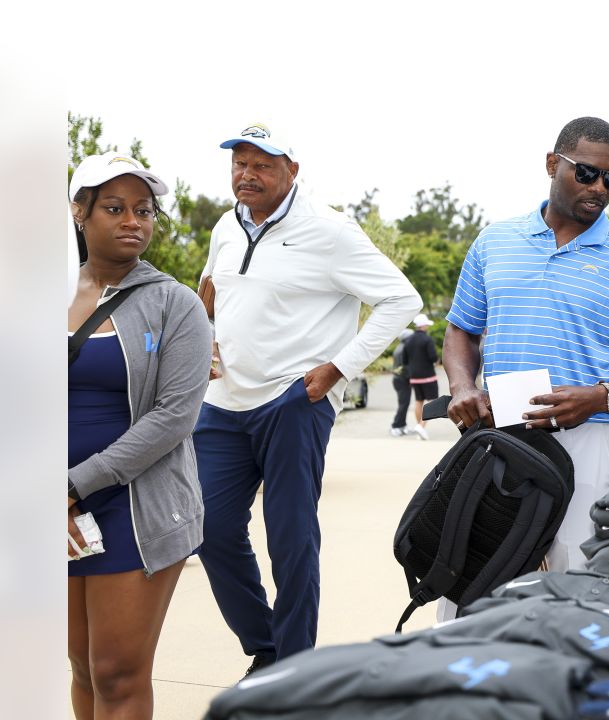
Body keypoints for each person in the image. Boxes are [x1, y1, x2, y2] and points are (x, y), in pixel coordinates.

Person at [195, 124, 422, 673]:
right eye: (239, 163)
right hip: (224, 404)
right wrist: (203, 335)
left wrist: (338, 369)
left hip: (292, 402)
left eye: (262, 165)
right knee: (208, 528)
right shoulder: (227, 225)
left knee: (291, 542)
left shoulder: (330, 231)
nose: (247, 175)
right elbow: (210, 287)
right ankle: (266, 647)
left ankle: (294, 670)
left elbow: (400, 298)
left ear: (292, 170)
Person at [443, 116, 609, 580]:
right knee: (476, 573)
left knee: (578, 579)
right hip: (499, 433)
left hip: (588, 443)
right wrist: (460, 386)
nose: (599, 188)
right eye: (586, 173)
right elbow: (461, 331)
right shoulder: (495, 242)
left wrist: (601, 396)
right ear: (553, 164)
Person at [67, 154, 211, 718]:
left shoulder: (174, 304)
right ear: (79, 213)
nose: (133, 220)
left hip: (134, 506)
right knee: (81, 665)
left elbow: (174, 417)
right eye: (115, 207)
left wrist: (75, 484)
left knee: (117, 672)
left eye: (144, 210)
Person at [404, 313, 440, 440]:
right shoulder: (427, 340)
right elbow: (433, 357)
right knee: (433, 401)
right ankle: (421, 425)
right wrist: (437, 360)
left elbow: (405, 360)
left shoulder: (408, 340)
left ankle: (420, 428)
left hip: (414, 376)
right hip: (428, 375)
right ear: (423, 326)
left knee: (419, 401)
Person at [389, 328, 415, 437]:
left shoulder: (400, 347)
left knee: (404, 403)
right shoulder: (404, 348)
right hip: (401, 379)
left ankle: (402, 425)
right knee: (403, 404)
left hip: (399, 379)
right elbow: (405, 368)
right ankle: (395, 426)